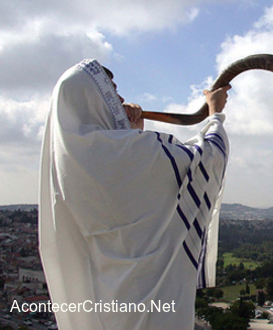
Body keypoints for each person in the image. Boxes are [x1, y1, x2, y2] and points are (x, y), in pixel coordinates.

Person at [39, 59, 231, 330]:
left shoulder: (67, 158)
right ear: (95, 98)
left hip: (105, 297)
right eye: (112, 92)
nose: (121, 99)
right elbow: (206, 159)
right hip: (150, 300)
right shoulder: (124, 152)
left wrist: (130, 130)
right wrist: (215, 114)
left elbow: (133, 193)